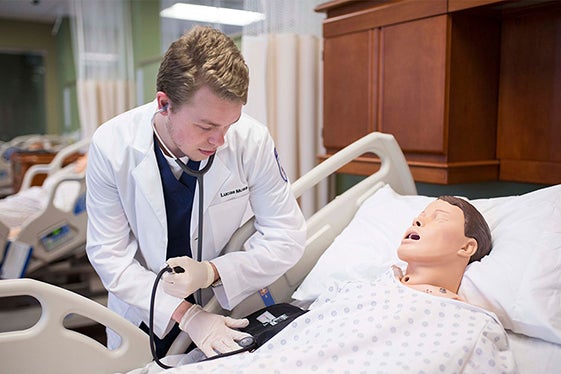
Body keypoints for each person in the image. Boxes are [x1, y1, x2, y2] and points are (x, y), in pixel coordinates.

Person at [85, 26, 306, 358]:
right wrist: (188, 315)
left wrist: (213, 272)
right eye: (206, 126)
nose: (220, 141)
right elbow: (110, 256)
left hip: (224, 309)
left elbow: (286, 236)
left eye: (230, 124)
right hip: (142, 311)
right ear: (164, 104)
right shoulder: (112, 146)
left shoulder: (252, 140)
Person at [129, 195, 516, 373]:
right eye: (418, 215)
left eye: (437, 219)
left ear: (468, 246)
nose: (417, 222)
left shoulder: (472, 325)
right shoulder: (359, 288)